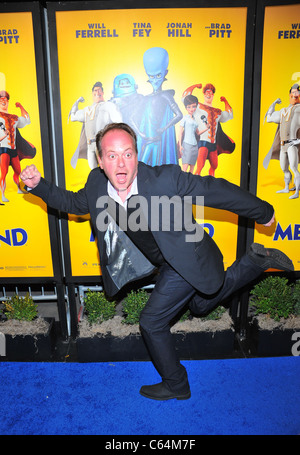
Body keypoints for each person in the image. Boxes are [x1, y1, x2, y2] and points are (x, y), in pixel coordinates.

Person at [20, 122, 294, 401]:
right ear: (100, 161)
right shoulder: (96, 185)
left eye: (127, 153)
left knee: (152, 323)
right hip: (165, 262)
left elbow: (214, 190)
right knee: (199, 305)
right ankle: (254, 262)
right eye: (112, 156)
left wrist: (262, 211)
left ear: (137, 155)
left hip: (190, 256)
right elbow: (72, 203)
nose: (121, 163)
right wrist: (38, 186)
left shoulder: (165, 179)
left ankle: (177, 384)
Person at [69, 82, 122, 170]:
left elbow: (119, 122)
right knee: (93, 171)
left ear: (103, 92)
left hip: (102, 143)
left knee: (106, 168)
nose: (97, 92)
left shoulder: (108, 106)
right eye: (95, 90)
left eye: (99, 90)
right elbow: (73, 117)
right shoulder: (87, 110)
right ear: (92, 93)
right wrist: (77, 102)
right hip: (90, 145)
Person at [263, 83, 300, 199]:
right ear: (289, 94)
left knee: (294, 168)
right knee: (284, 168)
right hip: (283, 145)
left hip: (292, 144)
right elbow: (269, 118)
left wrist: (297, 141)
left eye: (297, 92)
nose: (295, 94)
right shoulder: (283, 111)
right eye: (293, 92)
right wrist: (273, 103)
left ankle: (297, 191)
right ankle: (286, 187)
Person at [0, 90, 35, 202]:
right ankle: (2, 195)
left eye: (6, 98)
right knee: (4, 172)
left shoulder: (14, 117)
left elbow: (27, 120)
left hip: (13, 149)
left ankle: (19, 188)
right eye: (1, 98)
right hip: (3, 149)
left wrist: (20, 107)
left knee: (18, 171)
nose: (4, 100)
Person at [178, 94, 209, 173]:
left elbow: (198, 133)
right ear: (186, 107)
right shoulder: (185, 118)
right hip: (187, 144)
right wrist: (180, 145)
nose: (191, 109)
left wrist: (207, 128)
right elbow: (180, 132)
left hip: (195, 146)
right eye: (189, 107)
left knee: (192, 169)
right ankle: (183, 184)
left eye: (193, 106)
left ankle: (190, 184)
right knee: (184, 169)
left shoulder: (195, 119)